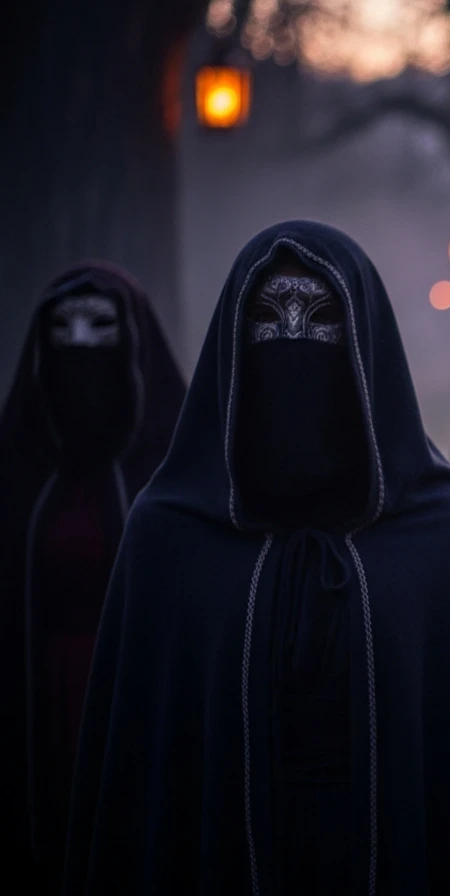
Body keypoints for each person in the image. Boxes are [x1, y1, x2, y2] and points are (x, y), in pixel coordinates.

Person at [62, 222, 450, 895]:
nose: (295, 342)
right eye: (271, 320)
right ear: (236, 345)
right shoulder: (172, 536)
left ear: (364, 344)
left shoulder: (436, 532)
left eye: (321, 319)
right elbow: (137, 785)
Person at [0, 262, 185, 894]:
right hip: (38, 700)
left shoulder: (172, 471)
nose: (80, 347)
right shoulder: (16, 472)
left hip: (139, 699)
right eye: (64, 331)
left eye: (99, 328)